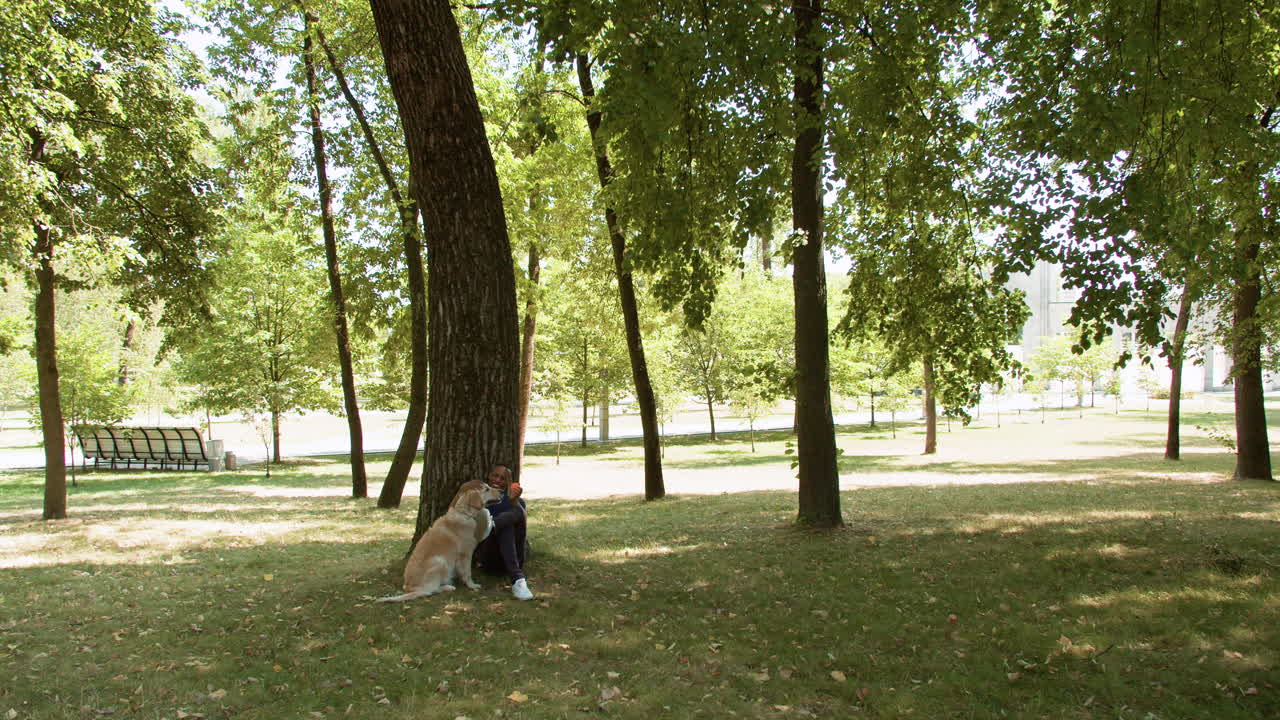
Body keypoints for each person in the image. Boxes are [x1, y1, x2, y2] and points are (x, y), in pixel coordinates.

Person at [475, 464, 533, 601]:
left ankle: (493, 525)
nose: (498, 480)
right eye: (495, 475)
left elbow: (523, 526)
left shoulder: (515, 501)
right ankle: (518, 579)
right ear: (489, 476)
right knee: (505, 526)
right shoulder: (479, 499)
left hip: (515, 556)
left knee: (511, 519)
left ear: (508, 482)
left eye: (503, 478)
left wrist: (514, 501)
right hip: (489, 557)